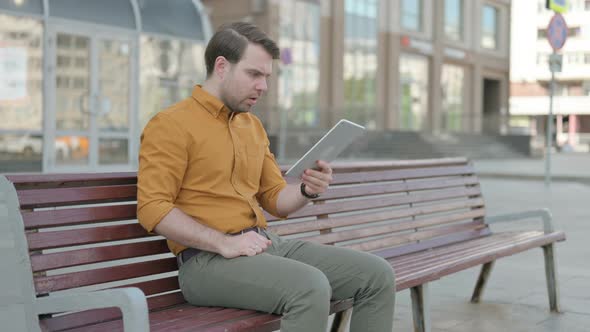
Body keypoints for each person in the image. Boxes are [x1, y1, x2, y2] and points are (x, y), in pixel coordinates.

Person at [137, 22, 395, 332]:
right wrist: (222, 243)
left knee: (377, 275)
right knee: (309, 287)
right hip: (206, 263)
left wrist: (306, 189)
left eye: (267, 77)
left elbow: (276, 200)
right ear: (222, 67)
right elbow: (152, 207)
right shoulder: (171, 124)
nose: (263, 87)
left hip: (264, 244)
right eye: (254, 74)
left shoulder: (252, 127)